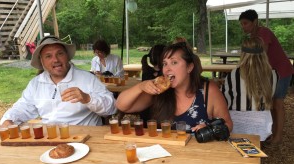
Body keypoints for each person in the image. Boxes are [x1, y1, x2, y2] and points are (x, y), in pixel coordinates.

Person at [0, 35, 117, 127]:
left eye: (60, 53)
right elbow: (23, 107)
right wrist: (8, 119)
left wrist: (88, 98)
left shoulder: (87, 79)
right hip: (51, 137)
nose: (55, 60)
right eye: (48, 56)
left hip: (87, 137)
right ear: (42, 61)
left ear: (67, 55)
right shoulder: (36, 84)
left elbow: (111, 107)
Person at [116, 42, 233, 133]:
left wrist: (210, 129)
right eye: (165, 64)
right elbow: (122, 105)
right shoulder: (159, 91)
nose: (167, 69)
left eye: (174, 63)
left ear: (189, 67)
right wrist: (140, 86)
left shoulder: (207, 90)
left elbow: (227, 124)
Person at [239, 9, 294, 144]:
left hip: (282, 71)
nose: (243, 27)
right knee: (271, 103)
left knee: (278, 103)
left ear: (255, 22)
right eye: (241, 24)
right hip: (271, 73)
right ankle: (272, 132)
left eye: (245, 23)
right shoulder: (253, 36)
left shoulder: (263, 33)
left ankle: (278, 136)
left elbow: (260, 56)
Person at [221, 37, 278, 141]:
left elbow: (225, 100)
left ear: (243, 54)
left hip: (237, 122)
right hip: (262, 124)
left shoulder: (234, 74)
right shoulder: (273, 74)